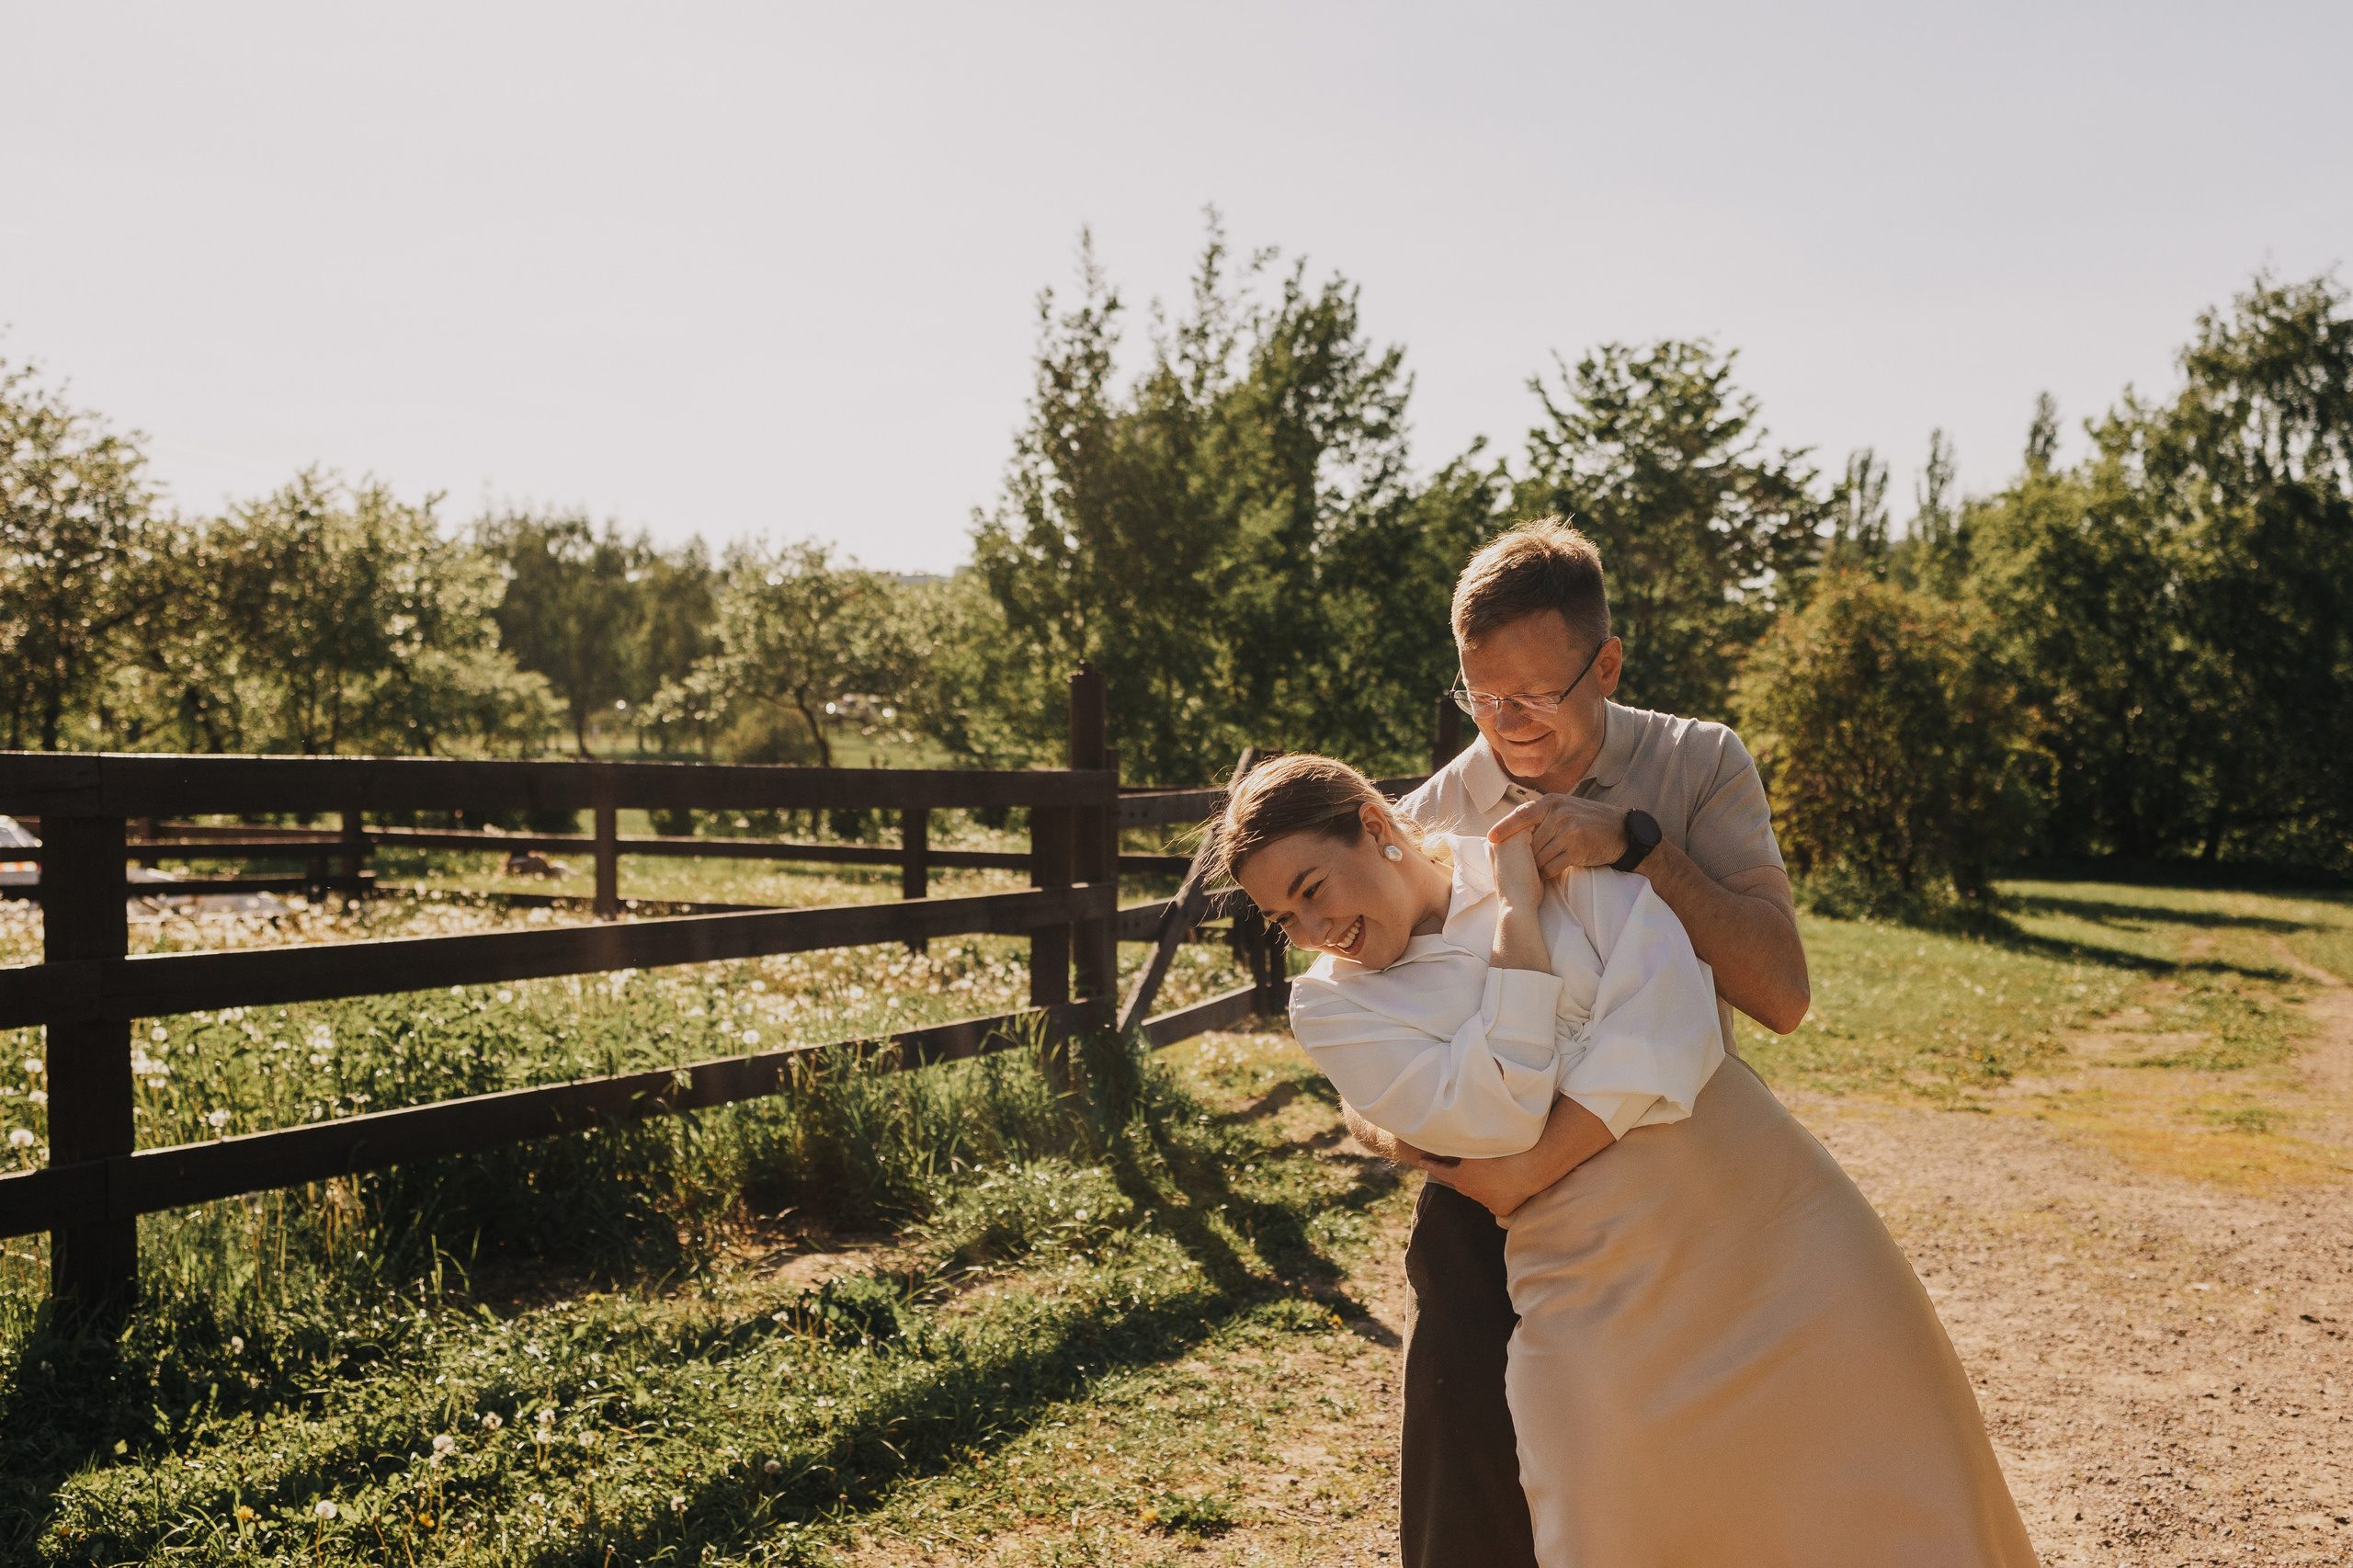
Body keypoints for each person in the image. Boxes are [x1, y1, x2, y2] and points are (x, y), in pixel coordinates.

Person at [1219, 752, 2040, 1567]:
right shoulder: (1332, 1006)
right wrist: (1519, 922)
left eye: (1312, 889)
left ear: (1372, 828)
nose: (1316, 931)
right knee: (1616, 1507)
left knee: (1877, 1461)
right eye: (1285, 920)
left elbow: (1677, 1011)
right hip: (1590, 1269)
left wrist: (1541, 1159)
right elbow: (1494, 1115)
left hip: (1764, 1210)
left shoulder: (1541, 848)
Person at [1380, 518, 1816, 1565]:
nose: (1507, 727)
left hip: (1673, 1187)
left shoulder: (1698, 762)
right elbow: (1374, 1036)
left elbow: (1782, 992)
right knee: (1467, 1488)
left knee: (1662, 1491)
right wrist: (1440, 1155)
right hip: (1497, 1196)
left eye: (1534, 697)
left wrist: (1641, 853)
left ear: (1606, 663)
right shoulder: (1430, 815)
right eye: (1481, 700)